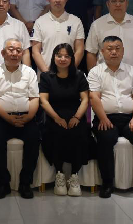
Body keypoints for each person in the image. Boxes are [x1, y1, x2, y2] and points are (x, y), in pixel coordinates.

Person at [88, 36, 133, 199]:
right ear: (102, 52)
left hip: (129, 118)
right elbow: (94, 97)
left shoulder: (132, 71)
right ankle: (107, 182)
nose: (114, 52)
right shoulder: (95, 71)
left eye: (117, 48)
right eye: (109, 49)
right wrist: (103, 118)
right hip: (106, 118)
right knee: (105, 139)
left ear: (123, 51)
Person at [0, 38, 40, 199]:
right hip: (2, 119)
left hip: (26, 118)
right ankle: (3, 184)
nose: (14, 53)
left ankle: (25, 183)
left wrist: (28, 117)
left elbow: (34, 98)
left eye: (18, 50)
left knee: (34, 138)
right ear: (3, 53)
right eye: (11, 50)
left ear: (22, 54)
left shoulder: (29, 72)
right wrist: (8, 118)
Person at [39, 43, 90, 197]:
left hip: (75, 115)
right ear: (54, 57)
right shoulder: (46, 76)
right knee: (56, 133)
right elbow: (44, 101)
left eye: (66, 56)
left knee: (79, 133)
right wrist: (56, 118)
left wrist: (77, 117)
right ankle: (59, 174)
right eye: (59, 55)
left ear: (72, 58)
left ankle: (74, 175)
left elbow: (85, 99)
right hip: (54, 115)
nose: (62, 59)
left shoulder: (79, 75)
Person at [86, 0, 133, 71]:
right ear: (108, 4)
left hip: (132, 75)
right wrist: (93, 76)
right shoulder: (97, 25)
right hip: (104, 75)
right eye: (113, 1)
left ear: (127, 3)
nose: (118, 4)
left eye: (122, 1)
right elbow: (91, 53)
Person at [32, 0, 85, 73]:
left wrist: (69, 70)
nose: (57, 0)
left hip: (69, 75)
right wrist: (47, 74)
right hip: (45, 74)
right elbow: (35, 51)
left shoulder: (76, 21)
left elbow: (79, 50)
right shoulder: (39, 22)